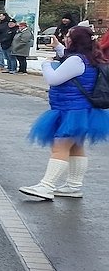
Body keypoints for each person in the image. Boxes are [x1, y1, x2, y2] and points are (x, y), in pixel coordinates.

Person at [21, 26, 108, 200]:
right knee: (76, 147)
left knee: (59, 147)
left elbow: (53, 79)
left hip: (71, 111)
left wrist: (46, 64)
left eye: (68, 36)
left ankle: (46, 186)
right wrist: (58, 47)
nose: (66, 38)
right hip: (82, 110)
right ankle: (73, 186)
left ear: (75, 40)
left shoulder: (76, 60)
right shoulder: (90, 57)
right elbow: (69, 61)